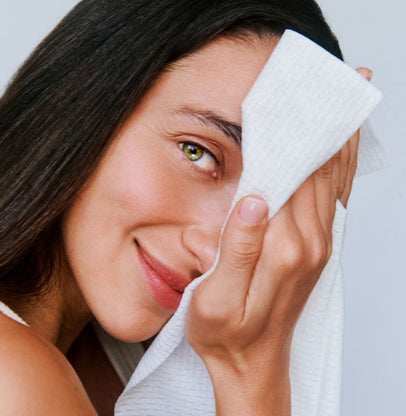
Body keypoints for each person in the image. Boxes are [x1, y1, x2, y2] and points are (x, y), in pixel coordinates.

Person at [0, 0, 372, 414]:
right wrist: (250, 373)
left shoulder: (132, 368)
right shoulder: (14, 376)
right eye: (198, 152)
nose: (215, 253)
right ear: (82, 100)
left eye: (271, 203)